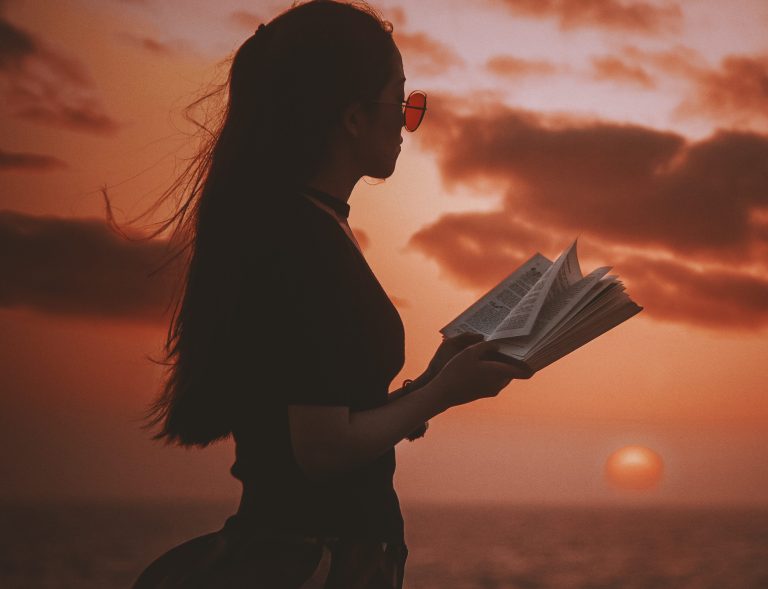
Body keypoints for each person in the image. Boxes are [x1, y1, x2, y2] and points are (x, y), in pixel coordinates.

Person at [129, 1, 531, 587]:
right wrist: (442, 393)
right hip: (313, 561)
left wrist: (426, 384)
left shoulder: (309, 226)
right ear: (351, 118)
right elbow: (319, 448)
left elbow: (330, 410)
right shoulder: (299, 242)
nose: (406, 121)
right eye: (401, 101)